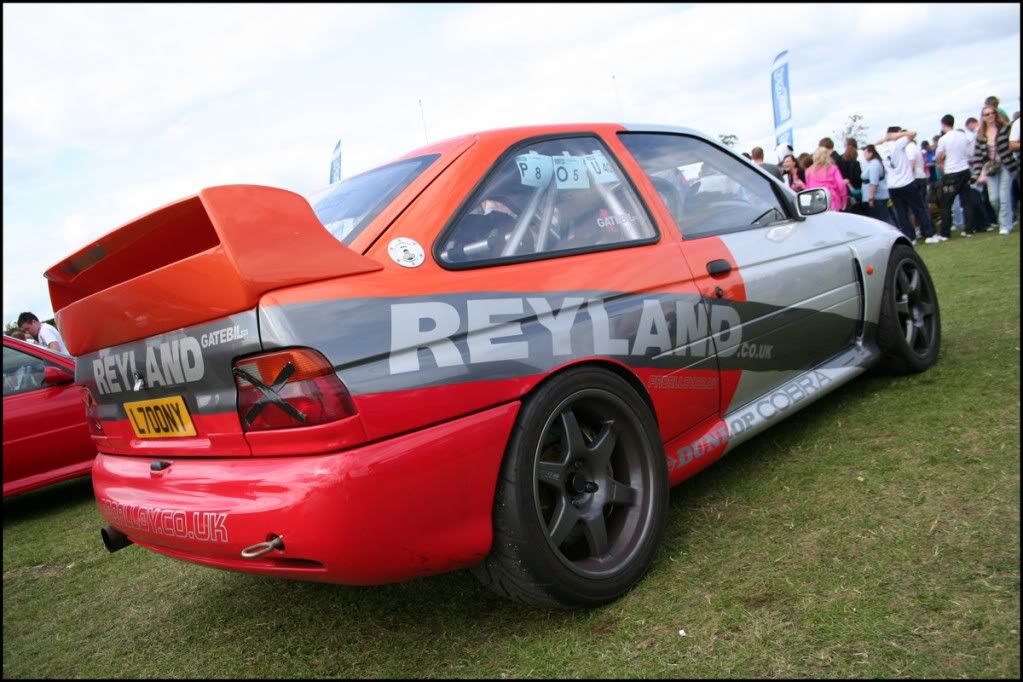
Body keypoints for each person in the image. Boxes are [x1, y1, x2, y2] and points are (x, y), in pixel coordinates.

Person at [877, 126, 936, 243]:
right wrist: (897, 135)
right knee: (919, 209)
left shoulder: (881, 148)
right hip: (906, 182)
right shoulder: (899, 143)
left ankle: (911, 237)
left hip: (893, 186)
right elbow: (913, 133)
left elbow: (875, 144)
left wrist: (887, 137)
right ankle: (929, 234)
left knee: (902, 213)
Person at [970, 104, 1019, 235]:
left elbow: (1014, 141)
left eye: (992, 113)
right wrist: (975, 176)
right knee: (994, 199)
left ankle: (1005, 225)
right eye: (987, 114)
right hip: (990, 168)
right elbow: (978, 157)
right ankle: (1006, 218)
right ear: (983, 117)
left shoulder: (1005, 128)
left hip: (1006, 165)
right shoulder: (980, 135)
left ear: (996, 114)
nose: (990, 115)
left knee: (1004, 196)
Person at [935, 114, 976, 239]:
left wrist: (942, 163)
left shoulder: (943, 139)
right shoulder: (962, 136)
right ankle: (969, 230)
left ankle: (945, 233)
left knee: (946, 203)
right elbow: (969, 153)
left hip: (951, 172)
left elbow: (938, 157)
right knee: (967, 202)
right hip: (965, 170)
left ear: (943, 124)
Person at [861, 144, 897, 226]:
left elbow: (874, 183)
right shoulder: (874, 163)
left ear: (871, 153)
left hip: (878, 197)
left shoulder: (874, 164)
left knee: (883, 219)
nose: (864, 155)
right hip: (880, 195)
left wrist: (871, 198)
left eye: (865, 153)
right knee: (885, 217)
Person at [804, 147, 847, 211]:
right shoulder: (833, 168)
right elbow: (841, 185)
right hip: (832, 201)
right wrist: (844, 201)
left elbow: (808, 188)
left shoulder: (808, 171)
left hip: (816, 202)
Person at [841, 138, 864, 213]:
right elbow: (859, 177)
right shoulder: (857, 160)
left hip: (846, 190)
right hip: (858, 189)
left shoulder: (841, 159)